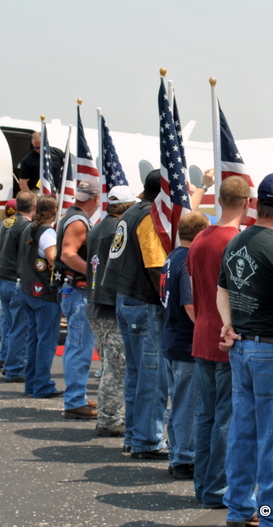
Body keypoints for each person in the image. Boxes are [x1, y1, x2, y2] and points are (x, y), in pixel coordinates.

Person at [217, 172, 273, 527]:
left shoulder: (236, 241)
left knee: (243, 433)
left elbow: (222, 289)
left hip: (241, 346)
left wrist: (228, 324)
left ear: (256, 204)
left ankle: (238, 509)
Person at [186, 174, 251, 508]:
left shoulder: (199, 238)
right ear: (247, 203)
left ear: (220, 201)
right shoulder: (235, 242)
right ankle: (215, 489)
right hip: (226, 337)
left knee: (207, 416)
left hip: (202, 332)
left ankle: (204, 486)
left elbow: (195, 285)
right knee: (225, 418)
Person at [102, 170, 169, 459]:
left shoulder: (131, 212)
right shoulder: (149, 217)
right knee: (152, 376)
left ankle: (134, 435)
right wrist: (169, 302)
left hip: (125, 298)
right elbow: (155, 267)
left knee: (136, 372)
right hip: (143, 301)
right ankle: (148, 439)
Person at [160, 211, 210, 480]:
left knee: (179, 401)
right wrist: (206, 327)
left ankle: (177, 453)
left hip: (171, 337)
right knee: (188, 404)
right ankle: (184, 457)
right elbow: (190, 304)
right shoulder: (188, 260)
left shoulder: (172, 257)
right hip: (185, 341)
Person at [86, 185, 139, 437]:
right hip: (109, 304)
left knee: (110, 365)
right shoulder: (119, 229)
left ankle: (109, 416)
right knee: (116, 368)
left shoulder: (97, 227)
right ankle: (109, 419)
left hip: (95, 302)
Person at [54, 178, 101, 419]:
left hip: (74, 289)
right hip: (78, 290)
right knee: (80, 347)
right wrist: (94, 274)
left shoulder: (72, 216)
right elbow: (67, 254)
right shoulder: (78, 221)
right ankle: (74, 401)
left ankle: (77, 396)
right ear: (96, 198)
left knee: (78, 346)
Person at [17, 195, 63, 398]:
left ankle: (32, 384)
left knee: (34, 339)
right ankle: (42, 385)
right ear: (54, 212)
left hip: (28, 289)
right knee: (46, 341)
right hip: (44, 293)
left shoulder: (28, 228)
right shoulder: (47, 233)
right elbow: (53, 259)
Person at [0, 190, 35, 379]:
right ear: (33, 207)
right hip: (14, 279)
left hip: (1, 277)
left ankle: (6, 357)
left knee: (9, 323)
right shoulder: (26, 226)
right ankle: (15, 368)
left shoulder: (5, 223)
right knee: (20, 326)